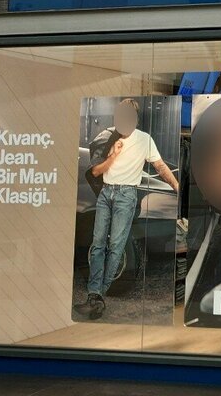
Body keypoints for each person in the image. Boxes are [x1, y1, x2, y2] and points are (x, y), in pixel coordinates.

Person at [74, 98, 179, 320]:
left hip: (126, 195)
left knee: (116, 246)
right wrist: (113, 155)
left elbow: (160, 166)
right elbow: (96, 172)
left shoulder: (144, 140)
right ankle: (95, 294)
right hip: (106, 193)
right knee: (98, 244)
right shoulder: (107, 137)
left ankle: (98, 294)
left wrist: (176, 186)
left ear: (135, 119)